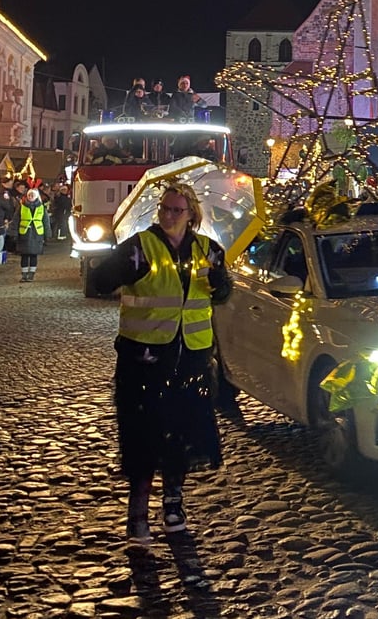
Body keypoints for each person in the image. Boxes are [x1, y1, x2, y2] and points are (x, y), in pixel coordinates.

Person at [92, 183, 233, 542]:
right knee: (143, 435)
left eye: (176, 210)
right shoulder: (140, 246)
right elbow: (100, 280)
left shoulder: (209, 250)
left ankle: (173, 502)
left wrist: (221, 283)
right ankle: (137, 515)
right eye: (165, 209)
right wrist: (116, 273)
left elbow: (222, 294)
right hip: (145, 358)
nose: (168, 216)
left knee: (181, 432)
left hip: (191, 357)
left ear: (192, 215)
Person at [16, 188, 49, 282]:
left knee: (34, 255)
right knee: (24, 255)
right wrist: (13, 233)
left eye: (32, 195)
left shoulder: (41, 208)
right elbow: (16, 220)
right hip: (24, 234)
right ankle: (24, 275)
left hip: (37, 234)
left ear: (36, 196)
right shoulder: (22, 207)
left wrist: (47, 234)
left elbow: (46, 221)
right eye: (29, 195)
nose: (31, 197)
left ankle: (31, 274)